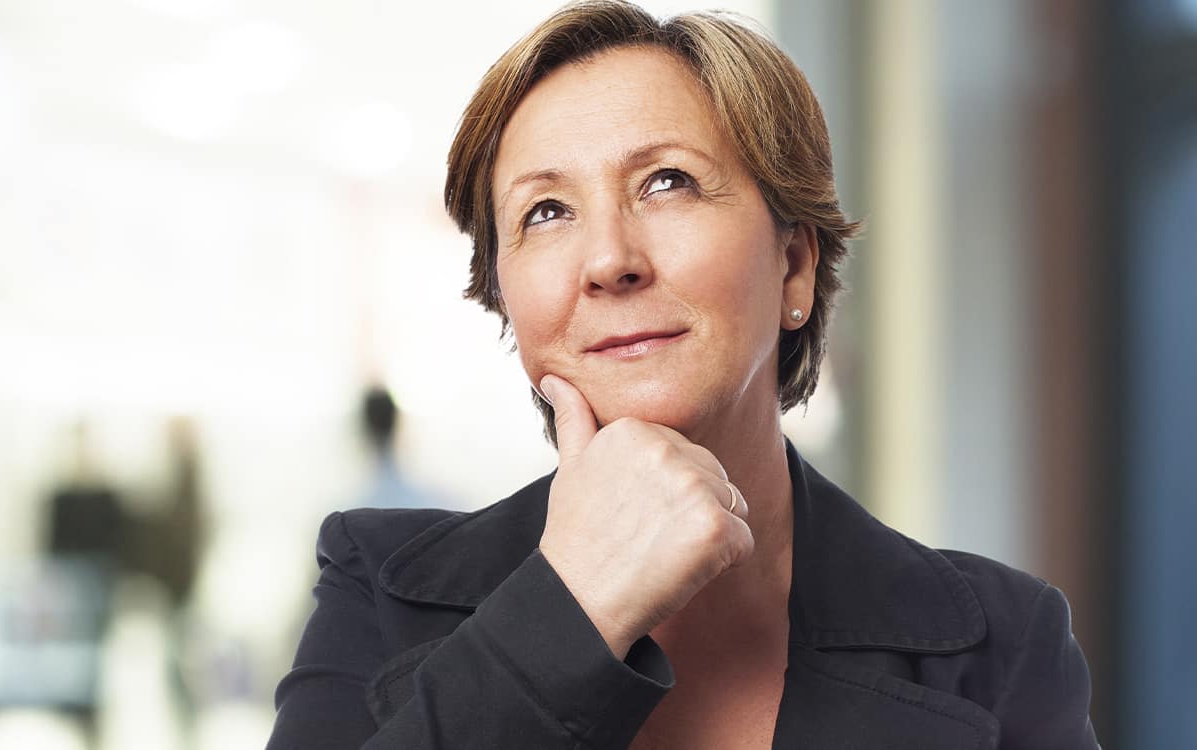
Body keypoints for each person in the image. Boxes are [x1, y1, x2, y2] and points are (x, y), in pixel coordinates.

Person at [268, 2, 1099, 747]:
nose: (609, 260)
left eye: (667, 183)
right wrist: (571, 607)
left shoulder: (1003, 644)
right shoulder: (376, 588)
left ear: (794, 266)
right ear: (505, 296)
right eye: (546, 211)